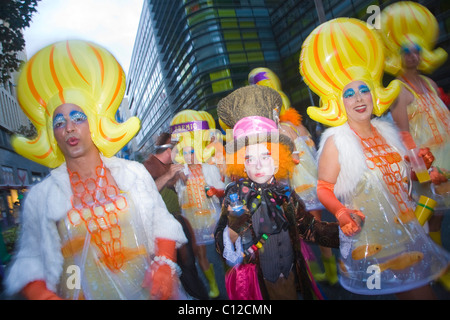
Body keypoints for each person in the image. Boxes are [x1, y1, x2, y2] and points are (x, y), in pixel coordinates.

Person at [3, 40, 187, 300]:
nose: (69, 128)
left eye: (78, 118)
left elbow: (162, 223)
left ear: (94, 122)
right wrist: (43, 295)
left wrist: (166, 265)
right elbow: (31, 259)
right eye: (59, 121)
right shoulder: (42, 196)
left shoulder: (133, 174)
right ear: (52, 133)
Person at [300, 18, 450, 299]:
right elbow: (323, 188)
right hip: (378, 236)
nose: (359, 98)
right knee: (419, 293)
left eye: (364, 89)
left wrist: (423, 166)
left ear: (373, 93)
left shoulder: (386, 131)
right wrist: (342, 213)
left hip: (408, 227)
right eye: (349, 93)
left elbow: (400, 173)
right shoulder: (337, 141)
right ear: (339, 101)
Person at [215, 85, 339, 300]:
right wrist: (233, 229)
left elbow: (309, 228)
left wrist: (344, 232)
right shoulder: (235, 194)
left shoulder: (284, 192)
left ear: (278, 160)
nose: (258, 165)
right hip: (259, 281)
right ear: (240, 164)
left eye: (265, 156)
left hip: (289, 271)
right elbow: (221, 243)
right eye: (249, 158)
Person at [249, 68, 338, 285]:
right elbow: (313, 151)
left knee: (301, 232)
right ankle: (330, 271)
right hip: (313, 182)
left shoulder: (280, 130)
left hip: (297, 185)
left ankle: (320, 273)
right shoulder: (298, 125)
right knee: (317, 227)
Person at [379, 2, 449, 248]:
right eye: (406, 51)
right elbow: (404, 134)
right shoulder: (399, 89)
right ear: (397, 57)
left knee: (439, 213)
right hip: (429, 160)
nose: (412, 55)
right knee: (431, 212)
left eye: (416, 49)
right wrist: (425, 169)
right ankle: (414, 253)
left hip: (447, 154)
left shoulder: (430, 83)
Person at [143, 132, 209, 300]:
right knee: (183, 268)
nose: (180, 154)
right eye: (177, 150)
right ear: (168, 150)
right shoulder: (147, 166)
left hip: (178, 220)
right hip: (164, 228)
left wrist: (180, 178)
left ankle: (197, 295)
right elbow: (145, 194)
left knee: (189, 265)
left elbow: (176, 186)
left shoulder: (169, 165)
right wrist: (168, 175)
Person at [170, 110, 225, 298]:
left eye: (192, 151)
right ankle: (212, 284)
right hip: (192, 220)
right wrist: (178, 177)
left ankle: (229, 278)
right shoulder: (180, 174)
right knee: (199, 254)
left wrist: (214, 191)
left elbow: (222, 190)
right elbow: (175, 189)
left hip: (212, 216)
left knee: (222, 249)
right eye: (185, 153)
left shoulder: (209, 168)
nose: (189, 156)